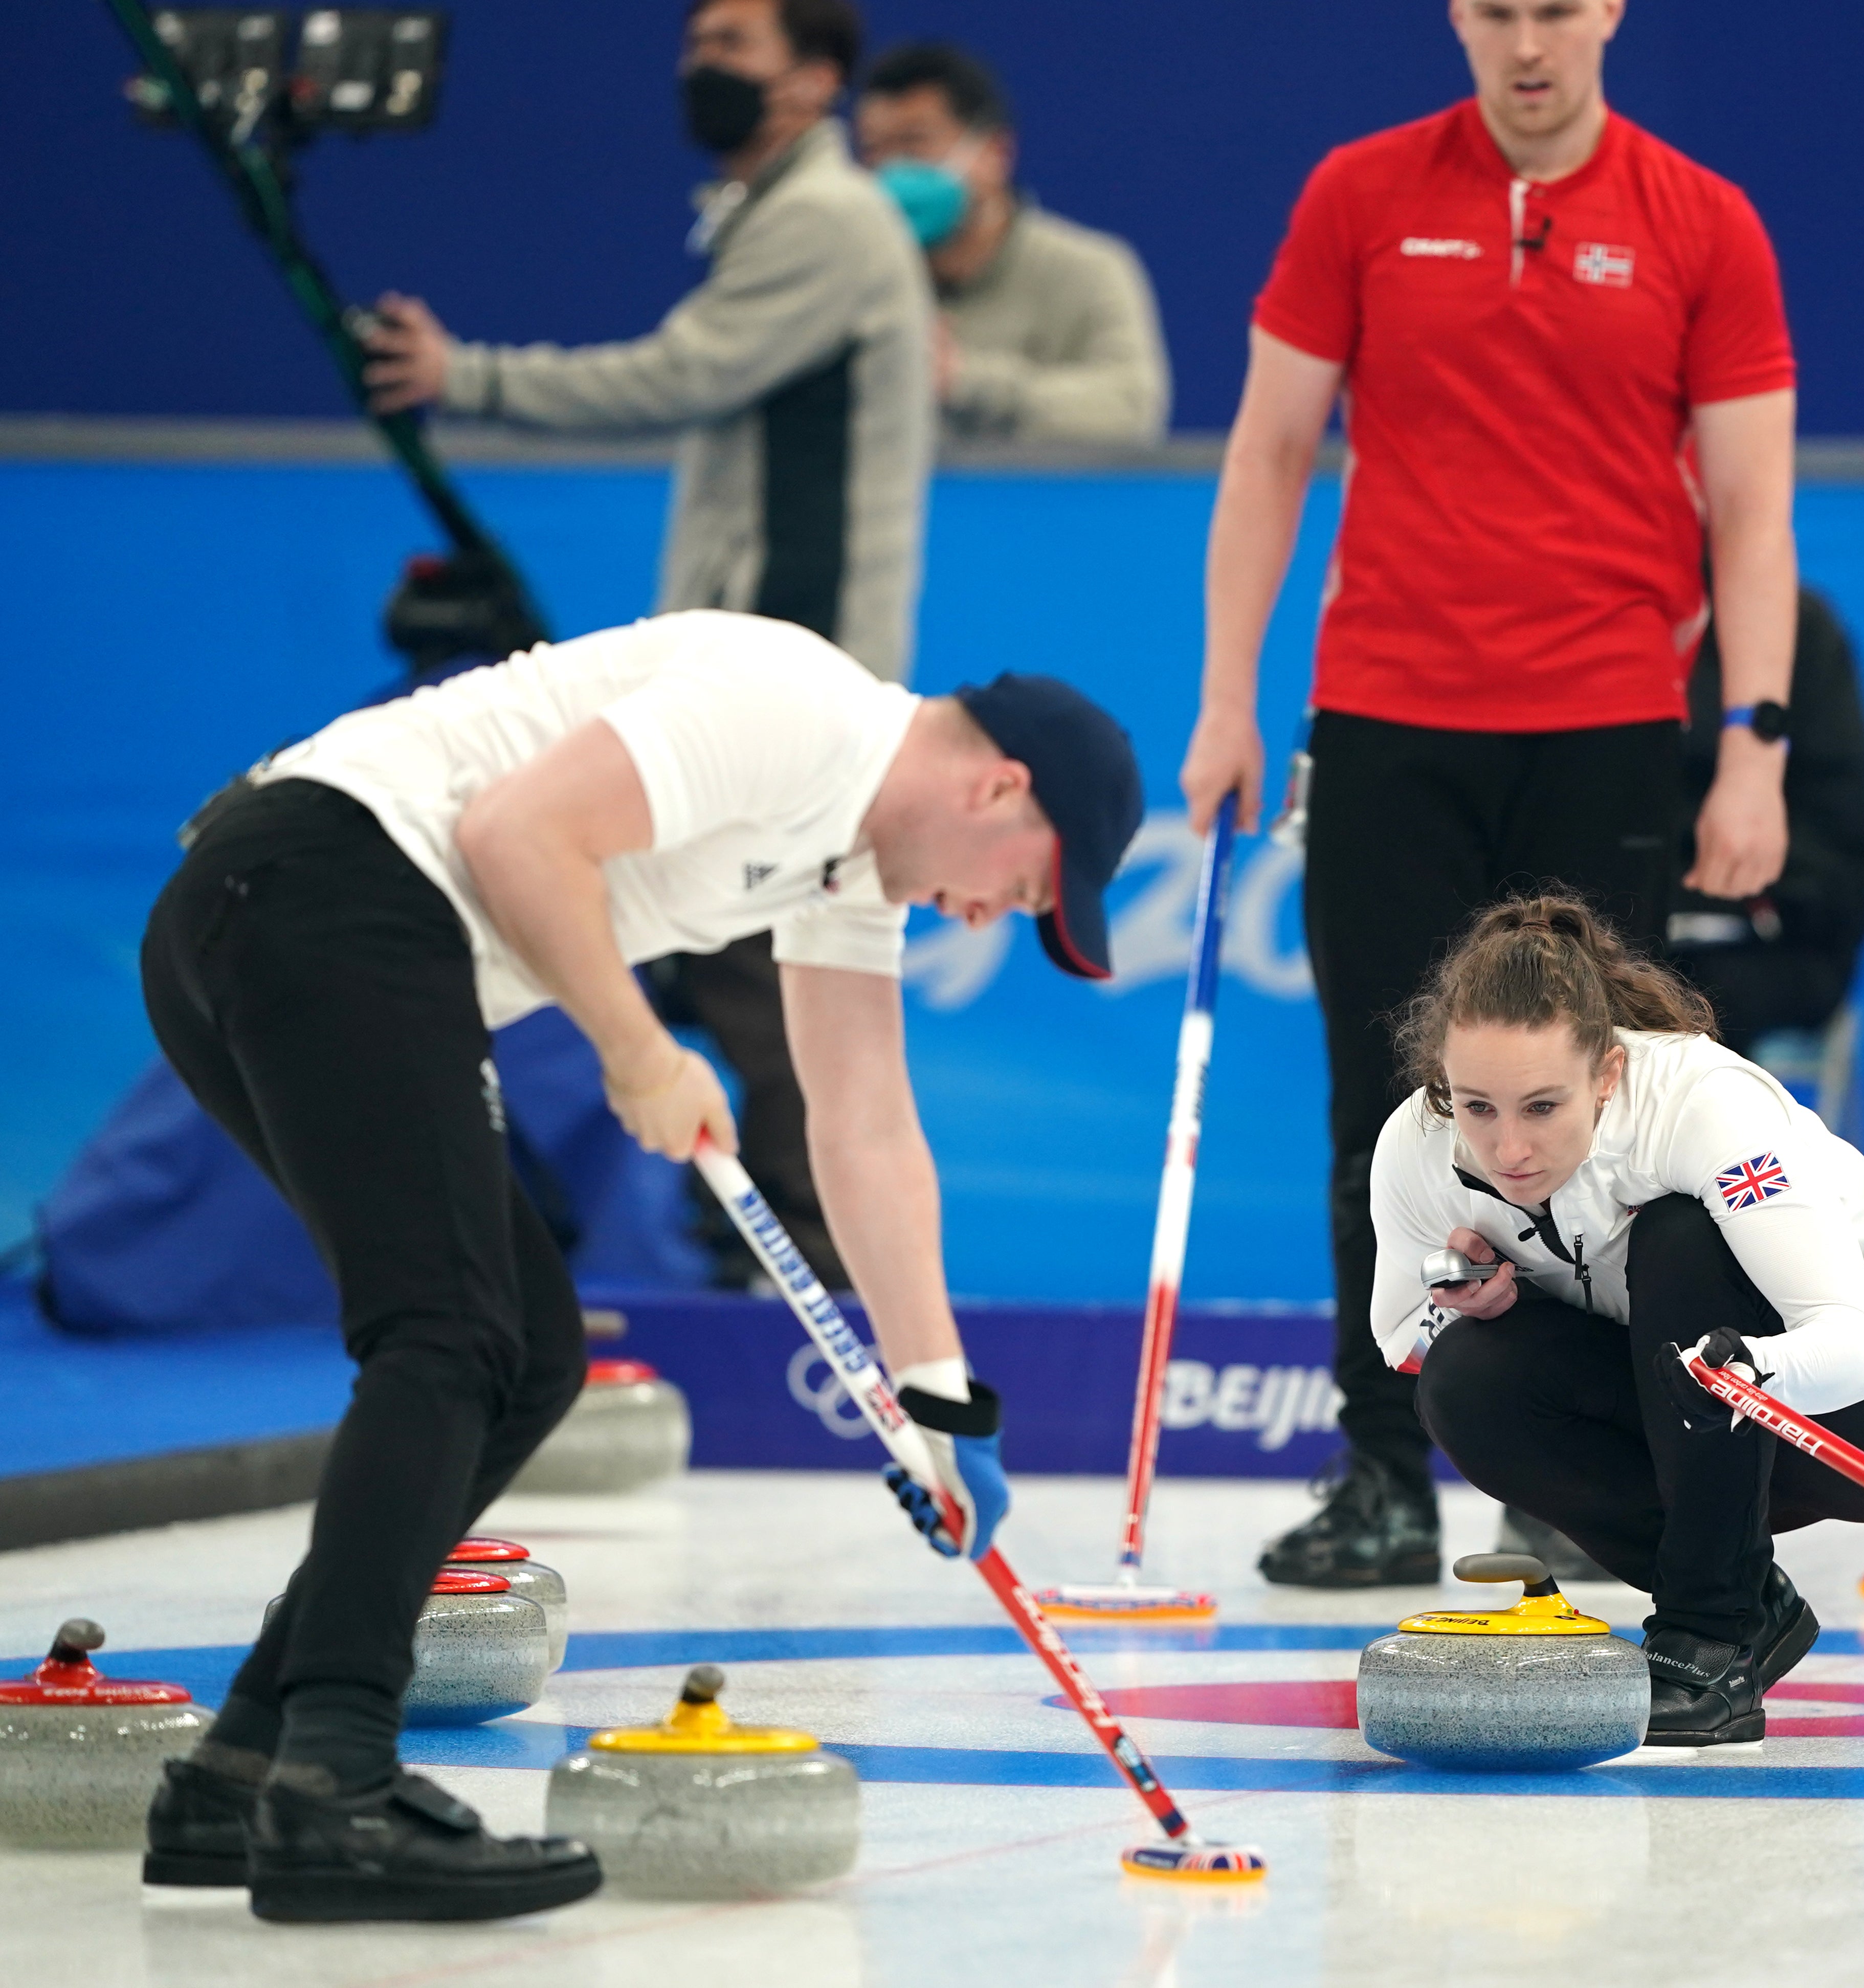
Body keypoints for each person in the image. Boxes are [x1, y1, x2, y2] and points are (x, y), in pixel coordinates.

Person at [135, 609, 1141, 1922]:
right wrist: (638, 1051)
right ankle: (334, 1783)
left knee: (528, 1355)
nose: (990, 914)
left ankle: (253, 1762)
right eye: (1025, 886)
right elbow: (514, 833)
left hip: (301, 922)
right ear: (1001, 787)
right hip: (320, 886)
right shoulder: (802, 708)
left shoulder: (845, 868)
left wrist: (940, 1403)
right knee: (448, 1337)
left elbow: (867, 1125)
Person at [1178, 0, 1802, 1589]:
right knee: (1378, 1110)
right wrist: (1224, 699)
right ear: (1462, 19)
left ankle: (1560, 1471)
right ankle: (1382, 1471)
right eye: (1495, 10)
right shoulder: (1358, 194)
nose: (1527, 42)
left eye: (1554, 7)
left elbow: (1749, 504)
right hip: (1391, 714)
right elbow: (1264, 452)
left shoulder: (1702, 219)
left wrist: (1753, 742)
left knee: (1601, 1116)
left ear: (1604, 15)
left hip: (1602, 718)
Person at [361, 0, 933, 1291]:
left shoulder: (829, 224)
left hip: (803, 658)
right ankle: (772, 1229)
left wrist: (473, 376)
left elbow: (678, 376)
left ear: (817, 77)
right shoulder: (770, 211)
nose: (701, 67)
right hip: (762, 651)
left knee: (756, 953)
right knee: (723, 942)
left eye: (735, 44)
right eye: (693, 44)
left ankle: (815, 1243)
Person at [1378, 896, 1864, 1743]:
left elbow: (1858, 1351)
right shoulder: (1417, 1143)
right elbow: (1402, 1340)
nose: (1507, 1149)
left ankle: (1705, 1635)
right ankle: (1747, 1601)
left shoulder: (1699, 1102)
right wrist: (1483, 1303)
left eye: (1541, 1107)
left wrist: (1756, 1372)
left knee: (1682, 1235)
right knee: (1468, 1380)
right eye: (1478, 1107)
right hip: (1691, 1411)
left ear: (1607, 1076)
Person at [856, 42, 1173, 444]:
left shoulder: (1091, 269)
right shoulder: (853, 275)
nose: (890, 170)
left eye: (915, 143)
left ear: (994, 153)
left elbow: (1130, 411)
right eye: (873, 149)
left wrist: (960, 380)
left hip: (1037, 504)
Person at [1670, 584, 1864, 1075]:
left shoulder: (1803, 631)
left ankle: (1715, 1150)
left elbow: (1842, 840)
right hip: (1620, 935)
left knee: (1681, 1007)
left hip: (1770, 941)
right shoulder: (1606, 617)